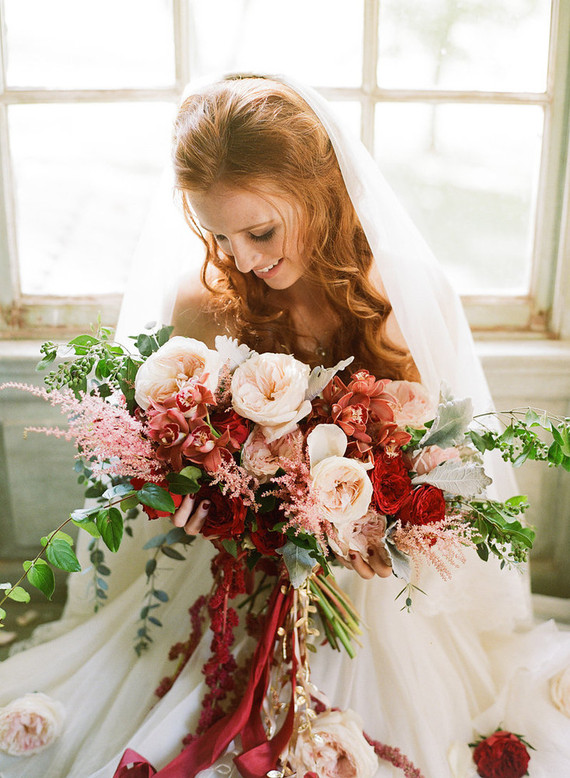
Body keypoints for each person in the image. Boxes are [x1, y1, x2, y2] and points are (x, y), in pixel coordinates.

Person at [1, 73, 570, 778]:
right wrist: (205, 494)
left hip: (361, 575)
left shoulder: (406, 292)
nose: (240, 257)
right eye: (218, 233)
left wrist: (381, 528)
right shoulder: (201, 302)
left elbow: (433, 455)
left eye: (260, 230)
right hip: (239, 569)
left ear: (320, 191)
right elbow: (188, 451)